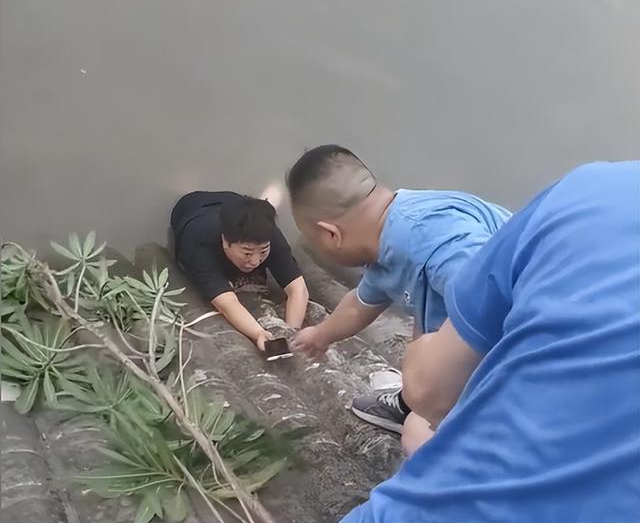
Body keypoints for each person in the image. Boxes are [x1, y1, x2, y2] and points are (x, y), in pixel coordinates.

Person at [340, 160, 640, 523]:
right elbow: (360, 300)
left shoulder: (593, 190)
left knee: (420, 427)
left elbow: (428, 387)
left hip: (463, 486)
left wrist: (428, 363)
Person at [286, 145, 511, 451]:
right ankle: (420, 402)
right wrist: (321, 335)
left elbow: (497, 297)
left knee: (418, 436)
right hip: (473, 350)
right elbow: (360, 303)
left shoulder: (430, 237)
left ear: (330, 235)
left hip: (526, 359)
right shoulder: (385, 242)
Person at [170, 191, 309, 350]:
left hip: (231, 200)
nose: (256, 261)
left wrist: (291, 331)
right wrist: (258, 333)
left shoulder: (270, 236)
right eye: (247, 253)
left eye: (263, 252)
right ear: (225, 241)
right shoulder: (198, 241)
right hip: (192, 208)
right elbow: (226, 304)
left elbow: (298, 289)